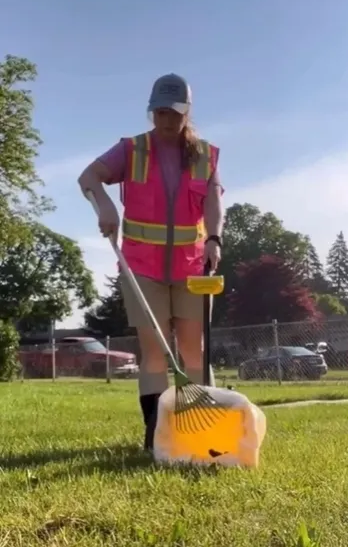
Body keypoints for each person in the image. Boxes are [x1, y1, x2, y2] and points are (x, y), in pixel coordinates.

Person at [77, 73, 224, 452]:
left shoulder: (205, 154)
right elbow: (88, 176)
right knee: (154, 351)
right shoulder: (131, 150)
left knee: (195, 350)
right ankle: (156, 432)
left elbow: (213, 201)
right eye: (159, 111)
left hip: (192, 268)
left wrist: (214, 238)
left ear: (186, 112)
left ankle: (199, 425)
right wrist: (105, 204)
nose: (165, 119)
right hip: (142, 268)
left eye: (174, 112)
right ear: (151, 110)